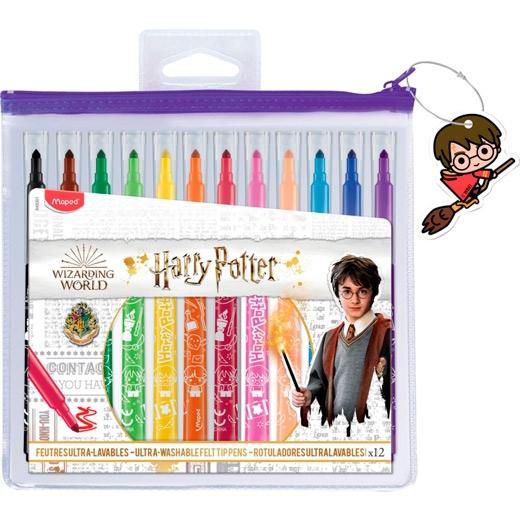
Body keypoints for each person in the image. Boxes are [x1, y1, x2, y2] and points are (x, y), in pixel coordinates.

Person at [291, 254, 391, 436]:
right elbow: (318, 382)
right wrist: (308, 395)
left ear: (373, 292)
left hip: (374, 432)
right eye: (347, 291)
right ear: (337, 293)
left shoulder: (389, 334)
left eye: (362, 291)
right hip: (336, 432)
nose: (355, 300)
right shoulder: (330, 338)